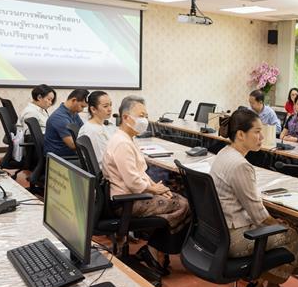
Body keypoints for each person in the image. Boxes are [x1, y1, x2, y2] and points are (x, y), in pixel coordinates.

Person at [210, 108, 298, 287]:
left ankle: (264, 281)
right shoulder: (241, 165)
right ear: (241, 134)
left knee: (279, 225)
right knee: (291, 233)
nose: (262, 136)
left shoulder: (224, 153)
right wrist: (278, 224)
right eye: (257, 132)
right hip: (234, 238)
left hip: (217, 231)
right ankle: (266, 284)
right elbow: (258, 215)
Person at [103, 95, 190, 276]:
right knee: (184, 204)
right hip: (126, 201)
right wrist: (153, 189)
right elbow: (133, 182)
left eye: (146, 115)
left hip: (133, 195)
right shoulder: (122, 143)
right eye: (141, 115)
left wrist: (158, 188)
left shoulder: (126, 138)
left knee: (177, 198)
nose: (145, 120)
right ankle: (154, 249)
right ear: (126, 117)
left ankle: (154, 249)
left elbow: (139, 173)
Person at [44, 89, 89, 157]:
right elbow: (72, 145)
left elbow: (84, 130)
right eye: (82, 106)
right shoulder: (59, 118)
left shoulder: (73, 113)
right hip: (60, 158)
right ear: (74, 100)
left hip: (70, 154)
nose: (82, 110)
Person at [78, 91, 116, 167]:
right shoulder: (93, 131)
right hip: (108, 173)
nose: (110, 109)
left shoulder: (99, 126)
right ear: (93, 109)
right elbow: (102, 162)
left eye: (110, 105)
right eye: (105, 106)